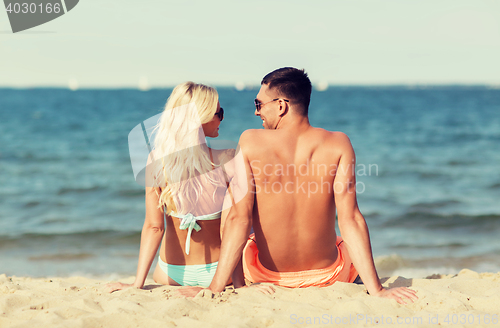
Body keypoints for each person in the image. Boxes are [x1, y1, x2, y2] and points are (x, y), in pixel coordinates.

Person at [206, 68, 418, 304]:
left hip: (266, 276)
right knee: (339, 238)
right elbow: (351, 219)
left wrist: (215, 288)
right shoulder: (339, 143)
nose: (256, 112)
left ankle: (232, 283)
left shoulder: (250, 140)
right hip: (329, 275)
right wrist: (377, 290)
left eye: (258, 104)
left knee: (232, 202)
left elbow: (239, 219)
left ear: (281, 106)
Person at [104, 82, 239, 292]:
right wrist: (240, 284)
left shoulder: (157, 160)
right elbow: (235, 226)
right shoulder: (228, 159)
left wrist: (136, 284)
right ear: (202, 117)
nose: (222, 118)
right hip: (219, 273)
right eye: (219, 112)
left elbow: (153, 227)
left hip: (169, 273)